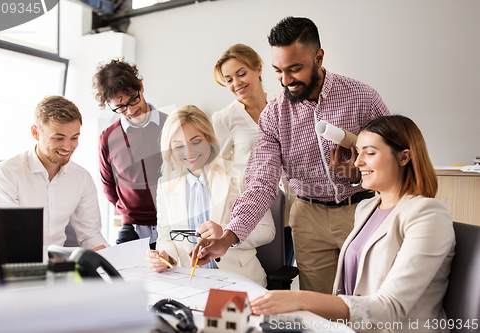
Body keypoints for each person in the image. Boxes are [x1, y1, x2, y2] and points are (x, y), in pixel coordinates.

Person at [191, 16, 391, 294]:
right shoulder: (274, 115)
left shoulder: (361, 97)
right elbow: (261, 185)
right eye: (278, 71)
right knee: (319, 306)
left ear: (318, 57)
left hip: (362, 209)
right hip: (308, 219)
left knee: (370, 297)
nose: (286, 80)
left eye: (294, 69)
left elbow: (394, 155)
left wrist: (362, 172)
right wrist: (228, 237)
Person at [250, 115, 455, 333]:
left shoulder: (428, 214)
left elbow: (390, 307)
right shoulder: (366, 208)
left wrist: (300, 299)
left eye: (370, 152)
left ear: (404, 158)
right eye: (359, 152)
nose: (357, 162)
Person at [145, 105, 275, 287]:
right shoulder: (166, 186)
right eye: (179, 146)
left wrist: (225, 233)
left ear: (209, 138)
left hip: (238, 281)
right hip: (190, 284)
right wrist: (165, 257)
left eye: (196, 141)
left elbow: (267, 230)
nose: (188, 153)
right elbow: (166, 238)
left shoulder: (240, 174)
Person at [0, 95, 109, 251]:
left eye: (74, 138)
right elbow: (11, 238)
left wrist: (112, 265)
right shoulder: (5, 174)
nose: (67, 147)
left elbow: (90, 236)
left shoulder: (81, 178)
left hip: (59, 268)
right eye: (58, 138)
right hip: (18, 264)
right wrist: (61, 261)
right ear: (35, 133)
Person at [212, 43, 295, 265]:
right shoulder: (224, 119)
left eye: (241, 74)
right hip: (256, 212)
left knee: (286, 270)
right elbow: (216, 171)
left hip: (293, 207)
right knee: (263, 272)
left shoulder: (284, 105)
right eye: (229, 80)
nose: (236, 83)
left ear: (258, 68)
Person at [93, 59, 167, 247]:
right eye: (121, 107)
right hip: (132, 226)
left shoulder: (172, 125)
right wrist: (128, 211)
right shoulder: (108, 138)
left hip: (172, 223)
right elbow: (109, 186)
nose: (131, 110)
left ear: (141, 87)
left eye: (133, 99)